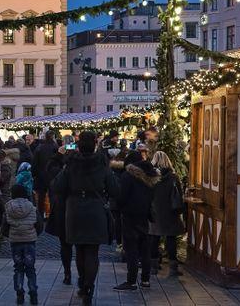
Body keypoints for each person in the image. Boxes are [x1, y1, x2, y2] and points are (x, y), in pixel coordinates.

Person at [52, 131, 118, 306]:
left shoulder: (71, 165)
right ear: (95, 144)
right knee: (92, 252)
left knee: (79, 249)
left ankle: (83, 282)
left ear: (79, 145)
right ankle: (89, 286)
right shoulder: (102, 165)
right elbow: (115, 190)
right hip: (95, 209)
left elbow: (57, 186)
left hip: (74, 210)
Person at [115, 147, 159, 291]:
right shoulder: (149, 176)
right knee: (144, 248)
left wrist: (119, 207)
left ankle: (131, 281)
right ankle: (145, 279)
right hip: (144, 215)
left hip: (130, 216)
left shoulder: (128, 176)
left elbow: (121, 197)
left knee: (131, 249)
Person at [149, 151, 184, 277]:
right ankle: (173, 268)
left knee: (154, 238)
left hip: (155, 211)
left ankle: (153, 267)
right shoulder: (173, 177)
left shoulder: (151, 176)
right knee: (171, 239)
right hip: (170, 211)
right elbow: (179, 194)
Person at [5, 184, 38, 305]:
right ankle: (33, 293)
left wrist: (9, 235)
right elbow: (39, 225)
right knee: (30, 268)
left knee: (18, 268)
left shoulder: (9, 207)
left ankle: (19, 293)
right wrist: (34, 234)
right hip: (30, 241)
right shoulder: (32, 207)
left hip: (15, 242)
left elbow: (5, 226)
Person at [44, 144, 72, 285]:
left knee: (65, 245)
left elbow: (50, 171)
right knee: (84, 248)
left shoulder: (60, 173)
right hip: (80, 210)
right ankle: (85, 280)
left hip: (64, 209)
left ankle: (68, 273)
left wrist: (59, 155)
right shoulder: (87, 167)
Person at [32, 133, 57, 219]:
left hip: (41, 175)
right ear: (53, 137)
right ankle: (52, 215)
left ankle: (40, 215)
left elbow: (34, 163)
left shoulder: (39, 147)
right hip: (53, 175)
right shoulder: (55, 147)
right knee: (52, 196)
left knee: (41, 198)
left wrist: (34, 174)